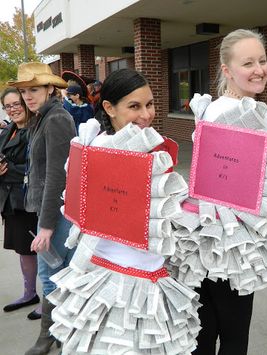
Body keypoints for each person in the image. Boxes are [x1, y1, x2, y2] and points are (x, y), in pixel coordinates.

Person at [46, 68, 200, 354]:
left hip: (154, 274)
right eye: (134, 106)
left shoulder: (153, 151)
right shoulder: (97, 150)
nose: (146, 114)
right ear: (109, 108)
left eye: (150, 104)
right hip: (113, 279)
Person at [170, 29, 267, 355]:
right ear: (227, 70)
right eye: (248, 63)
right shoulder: (238, 114)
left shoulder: (217, 109)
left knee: (205, 332)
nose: (259, 69)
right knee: (234, 337)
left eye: (262, 60)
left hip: (205, 236)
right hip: (228, 239)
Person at [7, 62, 77, 355]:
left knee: (54, 275)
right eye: (24, 91)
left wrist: (46, 226)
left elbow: (57, 177)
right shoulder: (41, 117)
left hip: (56, 213)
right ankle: (57, 335)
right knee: (56, 274)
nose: (28, 97)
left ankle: (53, 336)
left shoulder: (57, 118)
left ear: (50, 88)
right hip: (45, 210)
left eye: (34, 89)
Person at [0, 88, 40, 320]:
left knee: (43, 253)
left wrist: (7, 171)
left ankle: (50, 301)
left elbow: (38, 171)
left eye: (17, 103)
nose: (13, 109)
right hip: (11, 202)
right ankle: (29, 293)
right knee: (23, 251)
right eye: (8, 106)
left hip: (31, 201)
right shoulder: (9, 131)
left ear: (26, 103)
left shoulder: (37, 130)